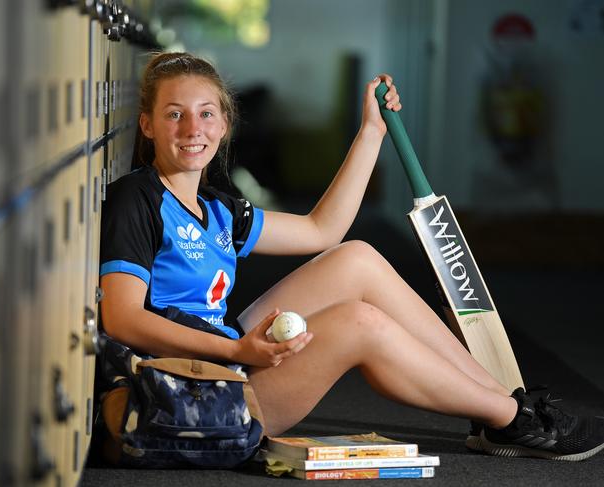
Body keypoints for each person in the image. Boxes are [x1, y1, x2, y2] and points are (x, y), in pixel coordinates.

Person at [98, 52, 604, 462]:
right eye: (174, 113)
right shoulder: (136, 199)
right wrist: (237, 353)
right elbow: (120, 316)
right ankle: (514, 421)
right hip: (193, 394)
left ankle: (503, 404)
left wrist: (371, 133)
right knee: (359, 322)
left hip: (225, 355)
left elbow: (324, 230)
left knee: (356, 256)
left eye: (206, 113)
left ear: (225, 125)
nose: (193, 127)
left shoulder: (218, 210)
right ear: (147, 124)